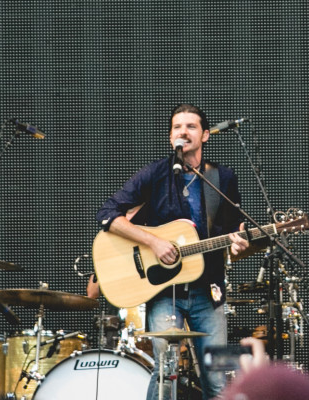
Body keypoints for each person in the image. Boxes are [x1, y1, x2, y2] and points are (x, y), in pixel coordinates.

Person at [94, 104, 250, 400]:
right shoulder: (155, 174)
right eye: (177, 127)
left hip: (210, 292)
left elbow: (232, 239)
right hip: (164, 293)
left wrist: (240, 245)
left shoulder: (223, 178)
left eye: (191, 127)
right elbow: (106, 214)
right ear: (170, 137)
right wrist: (153, 242)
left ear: (205, 135)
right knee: (165, 372)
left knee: (218, 379)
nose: (183, 132)